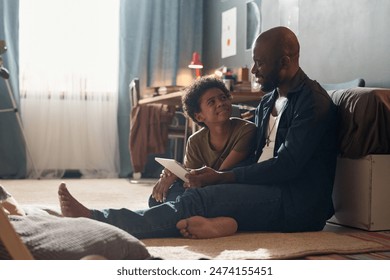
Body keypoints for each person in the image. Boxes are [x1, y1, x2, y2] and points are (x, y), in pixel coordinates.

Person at [58, 26, 338, 240]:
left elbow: (286, 167)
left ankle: (97, 220)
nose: (253, 70)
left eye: (260, 63)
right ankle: (226, 222)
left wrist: (222, 178)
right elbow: (256, 159)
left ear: (285, 63)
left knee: (197, 199)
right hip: (263, 189)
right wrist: (203, 178)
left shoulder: (312, 102)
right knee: (170, 192)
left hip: (295, 204)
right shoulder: (268, 100)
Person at [150, 76, 256, 206]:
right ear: (199, 116)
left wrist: (185, 177)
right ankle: (179, 210)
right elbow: (190, 181)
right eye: (211, 102)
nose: (220, 103)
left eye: (223, 97)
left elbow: (219, 175)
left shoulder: (246, 130)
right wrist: (172, 175)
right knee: (157, 199)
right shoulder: (195, 141)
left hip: (228, 188)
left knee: (190, 198)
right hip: (203, 189)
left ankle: (178, 211)